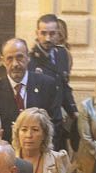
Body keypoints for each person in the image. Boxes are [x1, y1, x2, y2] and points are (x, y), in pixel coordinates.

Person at [0, 38, 63, 149]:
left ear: (28, 58)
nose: (15, 64)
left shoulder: (47, 85)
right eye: (9, 59)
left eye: (19, 57)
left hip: (41, 154)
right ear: (3, 61)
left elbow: (56, 124)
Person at [29, 14, 76, 150]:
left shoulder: (62, 55)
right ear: (37, 33)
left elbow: (64, 86)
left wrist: (73, 111)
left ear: (58, 34)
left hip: (58, 122)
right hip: (41, 124)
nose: (47, 38)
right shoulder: (31, 61)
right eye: (43, 33)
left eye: (52, 33)